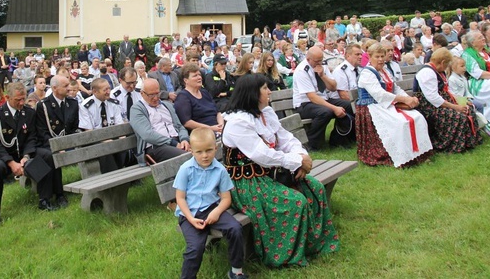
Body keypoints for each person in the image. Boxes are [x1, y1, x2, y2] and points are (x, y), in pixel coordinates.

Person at [222, 73, 340, 267]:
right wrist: (296, 162)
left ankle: (311, 246)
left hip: (270, 174)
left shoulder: (264, 113)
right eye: (264, 88)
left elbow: (285, 139)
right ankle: (284, 256)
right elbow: (262, 155)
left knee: (315, 188)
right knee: (296, 202)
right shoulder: (238, 122)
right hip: (247, 183)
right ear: (252, 93)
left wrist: (301, 157)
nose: (269, 91)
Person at [174, 127, 246, 279]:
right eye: (199, 152)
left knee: (235, 229)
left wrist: (217, 212)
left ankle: (236, 270)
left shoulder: (220, 170)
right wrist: (191, 218)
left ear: (216, 148)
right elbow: (180, 198)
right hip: (189, 214)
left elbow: (226, 199)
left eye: (208, 150)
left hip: (212, 208)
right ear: (191, 151)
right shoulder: (185, 169)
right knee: (195, 248)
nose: (205, 156)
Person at [355, 43, 433, 168]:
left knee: (418, 117)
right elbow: (379, 94)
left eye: (382, 56)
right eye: (377, 56)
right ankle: (401, 157)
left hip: (387, 104)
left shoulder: (384, 71)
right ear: (370, 57)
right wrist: (403, 99)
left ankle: (418, 154)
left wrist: (408, 98)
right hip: (372, 107)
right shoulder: (367, 74)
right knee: (400, 124)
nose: (380, 59)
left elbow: (395, 88)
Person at [0, 82, 41, 225]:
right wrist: (10, 162)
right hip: (2, 156)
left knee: (43, 157)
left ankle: (45, 199)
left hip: (22, 154)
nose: (22, 102)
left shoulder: (29, 112)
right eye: (18, 100)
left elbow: (31, 137)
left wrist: (26, 156)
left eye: (23, 99)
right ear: (7, 97)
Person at [413, 49, 483, 153]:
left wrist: (460, 100)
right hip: (429, 107)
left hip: (441, 103)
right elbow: (433, 98)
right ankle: (451, 145)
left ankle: (469, 142)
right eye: (446, 64)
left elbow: (446, 91)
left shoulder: (439, 71)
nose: (447, 67)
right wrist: (455, 107)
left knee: (468, 109)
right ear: (442, 62)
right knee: (458, 116)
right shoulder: (427, 72)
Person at [292, 46, 355, 150]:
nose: (319, 63)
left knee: (348, 106)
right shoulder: (302, 70)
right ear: (308, 59)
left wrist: (323, 76)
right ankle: (312, 144)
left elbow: (333, 87)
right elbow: (312, 97)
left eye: (321, 60)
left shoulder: (322, 66)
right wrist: (334, 108)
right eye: (317, 61)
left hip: (322, 99)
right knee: (326, 112)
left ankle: (338, 140)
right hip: (304, 104)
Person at [35, 75, 79, 210]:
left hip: (67, 143)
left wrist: (67, 145)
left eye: (69, 85)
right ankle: (58, 194)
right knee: (50, 155)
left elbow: (73, 127)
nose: (69, 88)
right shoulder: (43, 106)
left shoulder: (73, 103)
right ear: (54, 88)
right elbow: (42, 132)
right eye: (65, 86)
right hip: (49, 144)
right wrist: (57, 147)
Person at [130, 78, 191, 165]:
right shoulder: (137, 109)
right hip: (156, 147)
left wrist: (184, 139)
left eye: (157, 93)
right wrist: (173, 143)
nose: (155, 98)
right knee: (188, 157)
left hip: (177, 141)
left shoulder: (167, 105)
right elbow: (147, 134)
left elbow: (179, 126)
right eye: (151, 95)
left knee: (206, 149)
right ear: (142, 94)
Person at [175, 64, 223, 133]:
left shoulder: (204, 92)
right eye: (195, 76)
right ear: (186, 80)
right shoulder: (183, 97)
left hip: (217, 128)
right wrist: (210, 128)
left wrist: (221, 124)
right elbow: (187, 122)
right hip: (201, 134)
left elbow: (217, 112)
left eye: (199, 75)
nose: (199, 78)